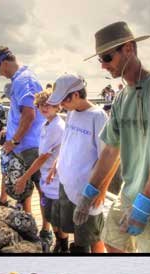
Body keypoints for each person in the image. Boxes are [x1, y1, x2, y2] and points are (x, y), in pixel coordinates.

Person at [79, 21, 150, 253]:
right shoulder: (122, 98)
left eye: (107, 57)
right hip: (128, 193)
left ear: (129, 48)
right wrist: (89, 192)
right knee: (111, 240)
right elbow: (111, 149)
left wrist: (143, 206)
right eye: (100, 59)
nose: (103, 66)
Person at [45, 74, 108, 253]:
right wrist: (55, 165)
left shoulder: (98, 116)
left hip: (87, 191)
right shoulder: (71, 113)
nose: (60, 106)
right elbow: (66, 143)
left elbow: (107, 158)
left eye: (63, 100)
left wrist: (101, 189)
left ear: (75, 95)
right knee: (72, 229)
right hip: (66, 184)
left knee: (92, 235)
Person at [0, 46, 44, 215]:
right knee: (24, 189)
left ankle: (45, 231)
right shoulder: (21, 78)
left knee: (40, 190)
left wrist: (14, 140)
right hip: (25, 145)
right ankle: (28, 220)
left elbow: (29, 115)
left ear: (5, 63)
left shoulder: (23, 80)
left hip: (29, 146)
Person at [17, 89, 65, 250]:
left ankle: (62, 245)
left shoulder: (57, 126)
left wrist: (24, 178)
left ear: (58, 106)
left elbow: (43, 157)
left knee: (58, 218)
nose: (44, 108)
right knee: (51, 214)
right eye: (40, 105)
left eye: (49, 105)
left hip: (56, 179)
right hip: (46, 177)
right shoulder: (46, 124)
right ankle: (59, 242)